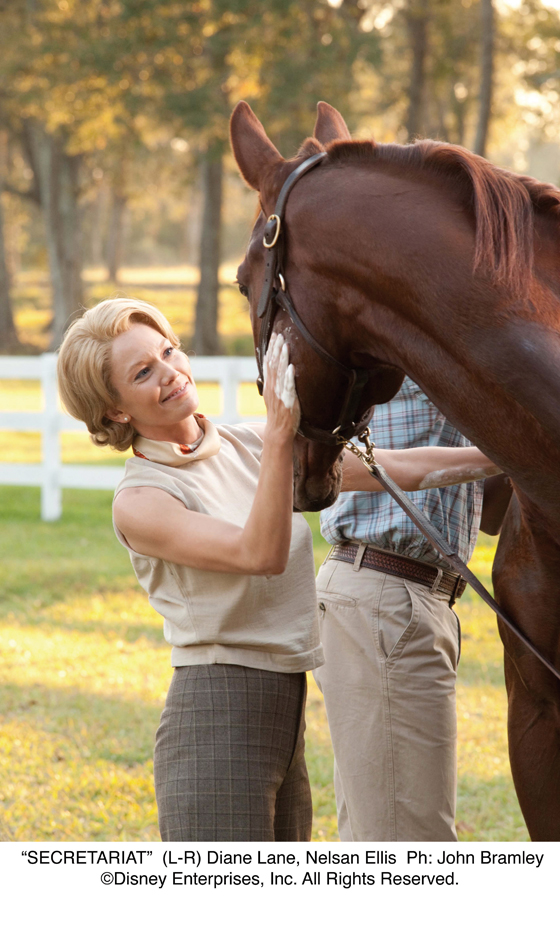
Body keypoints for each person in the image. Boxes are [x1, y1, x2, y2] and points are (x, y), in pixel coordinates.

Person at [56, 299, 501, 842]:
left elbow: (397, 469)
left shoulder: (245, 444)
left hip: (286, 706)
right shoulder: (142, 499)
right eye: (143, 372)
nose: (172, 373)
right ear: (115, 411)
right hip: (216, 710)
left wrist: (513, 454)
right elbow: (258, 555)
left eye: (168, 351)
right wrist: (279, 432)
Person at [315, 375, 512, 842]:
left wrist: (515, 440)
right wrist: (513, 453)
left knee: (382, 831)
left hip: (415, 596)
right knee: (409, 843)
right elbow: (327, 461)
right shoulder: (390, 345)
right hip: (386, 590)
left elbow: (489, 517)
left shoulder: (470, 353)